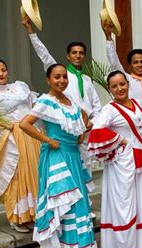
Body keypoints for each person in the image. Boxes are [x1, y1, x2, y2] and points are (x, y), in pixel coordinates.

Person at [19, 64, 97, 248]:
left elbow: (83, 118)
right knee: (66, 201)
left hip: (72, 155)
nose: (61, 80)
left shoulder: (70, 102)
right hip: (56, 156)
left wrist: (81, 134)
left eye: (64, 77)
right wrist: (48, 140)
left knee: (76, 201)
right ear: (48, 79)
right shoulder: (45, 101)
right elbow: (24, 124)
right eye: (57, 77)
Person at [87, 71, 142, 248]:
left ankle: (140, 244)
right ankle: (124, 246)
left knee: (139, 201)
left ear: (128, 84)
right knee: (124, 204)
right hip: (123, 164)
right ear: (109, 89)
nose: (119, 89)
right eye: (114, 86)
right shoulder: (109, 109)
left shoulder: (136, 104)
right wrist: (121, 140)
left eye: (122, 84)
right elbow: (96, 133)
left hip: (141, 162)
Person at [22, 15, 101, 171]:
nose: (78, 55)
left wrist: (90, 124)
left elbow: (96, 107)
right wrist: (31, 31)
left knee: (85, 174)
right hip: (65, 134)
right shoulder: (62, 75)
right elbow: (44, 55)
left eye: (81, 53)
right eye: (74, 52)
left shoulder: (87, 80)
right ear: (68, 56)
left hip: (85, 133)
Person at [0, 58, 40, 233]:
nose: (0, 74)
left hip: (29, 134)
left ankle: (31, 214)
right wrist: (6, 125)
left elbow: (33, 105)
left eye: (3, 70)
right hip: (10, 137)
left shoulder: (20, 87)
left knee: (33, 173)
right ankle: (16, 216)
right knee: (16, 175)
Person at [102, 20, 142, 117]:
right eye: (135, 62)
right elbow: (114, 63)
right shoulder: (127, 80)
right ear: (130, 65)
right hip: (136, 124)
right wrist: (108, 38)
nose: (139, 65)